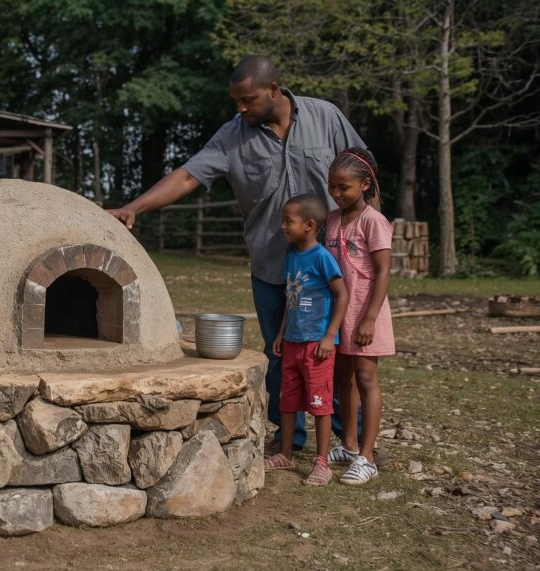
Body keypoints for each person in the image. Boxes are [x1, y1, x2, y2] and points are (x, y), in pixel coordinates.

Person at [107, 55, 379, 460]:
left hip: (333, 266)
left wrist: (373, 243)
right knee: (280, 353)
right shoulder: (232, 136)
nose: (241, 108)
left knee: (338, 357)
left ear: (273, 90)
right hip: (274, 267)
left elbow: (364, 170)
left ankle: (351, 442)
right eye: (236, 101)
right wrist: (135, 207)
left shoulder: (326, 116)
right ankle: (290, 439)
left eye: (247, 100)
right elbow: (187, 175)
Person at [263, 194, 348, 486]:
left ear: (309, 225)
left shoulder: (323, 257)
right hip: (292, 343)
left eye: (289, 221)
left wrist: (329, 335)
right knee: (288, 401)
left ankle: (322, 462)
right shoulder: (292, 256)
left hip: (317, 347)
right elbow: (291, 299)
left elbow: (342, 294)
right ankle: (286, 453)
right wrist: (281, 334)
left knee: (320, 403)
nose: (283, 226)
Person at [323, 148, 395, 484]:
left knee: (366, 379)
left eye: (343, 187)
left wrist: (369, 318)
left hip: (367, 312)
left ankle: (367, 456)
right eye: (331, 187)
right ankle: (349, 445)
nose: (336, 193)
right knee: (344, 379)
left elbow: (382, 272)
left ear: (365, 185)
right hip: (341, 314)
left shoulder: (374, 221)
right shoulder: (334, 219)